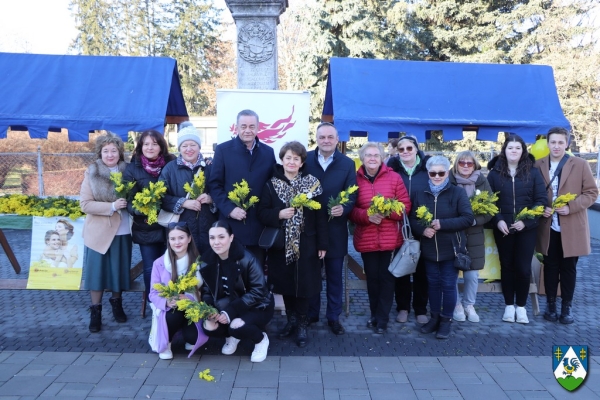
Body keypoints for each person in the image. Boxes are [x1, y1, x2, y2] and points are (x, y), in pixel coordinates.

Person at [257, 141, 328, 347]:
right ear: (282, 159)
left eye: (296, 158)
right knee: (287, 285)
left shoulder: (313, 184)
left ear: (302, 162)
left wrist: (323, 244)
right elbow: (261, 212)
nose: (291, 162)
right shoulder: (271, 184)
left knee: (304, 285)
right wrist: (278, 214)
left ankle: (302, 325)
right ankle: (291, 321)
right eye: (288, 157)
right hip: (281, 245)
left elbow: (321, 217)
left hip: (307, 243)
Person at [536, 127, 598, 324]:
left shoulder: (579, 164)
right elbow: (532, 193)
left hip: (571, 225)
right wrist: (540, 208)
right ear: (547, 143)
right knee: (550, 267)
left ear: (567, 144)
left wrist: (571, 207)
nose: (556, 146)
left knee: (569, 268)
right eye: (553, 142)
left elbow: (591, 192)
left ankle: (566, 307)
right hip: (548, 225)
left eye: (560, 142)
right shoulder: (538, 165)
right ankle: (551, 305)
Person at [349, 142, 411, 334]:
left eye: (376, 155)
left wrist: (386, 212)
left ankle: (382, 319)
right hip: (366, 238)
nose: (372, 158)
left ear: (383, 157)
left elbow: (405, 207)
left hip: (390, 239)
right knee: (372, 280)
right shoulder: (354, 179)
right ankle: (374, 314)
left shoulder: (394, 178)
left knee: (386, 279)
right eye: (368, 155)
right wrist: (366, 216)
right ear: (362, 157)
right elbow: (350, 210)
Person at [409, 156, 473, 339]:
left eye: (441, 173)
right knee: (433, 285)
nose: (437, 176)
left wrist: (442, 224)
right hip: (429, 249)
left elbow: (468, 218)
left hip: (451, 249)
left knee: (448, 285)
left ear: (447, 173)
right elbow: (413, 219)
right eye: (433, 173)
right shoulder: (420, 193)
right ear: (428, 173)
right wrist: (423, 230)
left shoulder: (457, 193)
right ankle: (435, 317)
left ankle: (446, 320)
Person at [487, 134, 547, 324]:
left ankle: (521, 307)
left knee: (522, 268)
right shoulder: (494, 173)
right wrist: (498, 220)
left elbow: (540, 201)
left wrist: (526, 221)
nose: (514, 151)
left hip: (526, 228)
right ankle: (508, 306)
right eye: (510, 147)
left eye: (518, 148)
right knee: (507, 267)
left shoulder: (533, 172)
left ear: (523, 151)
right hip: (503, 228)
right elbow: (490, 201)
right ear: (504, 150)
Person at [304, 122, 357, 335]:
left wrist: (343, 208)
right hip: (310, 228)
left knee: (335, 276)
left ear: (337, 140)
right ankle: (311, 313)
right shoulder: (305, 159)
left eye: (330, 137)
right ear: (316, 139)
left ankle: (333, 317)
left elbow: (352, 193)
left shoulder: (347, 163)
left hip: (335, 229)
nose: (326, 140)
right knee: (312, 275)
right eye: (322, 137)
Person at [200, 221, 274, 363]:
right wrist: (211, 310)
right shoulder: (207, 261)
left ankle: (260, 340)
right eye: (212, 238)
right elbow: (207, 291)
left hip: (258, 306)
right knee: (209, 325)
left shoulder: (247, 259)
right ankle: (231, 337)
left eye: (221, 237)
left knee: (236, 327)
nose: (216, 242)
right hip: (227, 305)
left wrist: (230, 312)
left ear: (231, 237)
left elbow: (259, 291)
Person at [208, 109, 276, 265]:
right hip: (231, 226)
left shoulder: (268, 152)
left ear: (258, 128)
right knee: (232, 273)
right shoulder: (223, 150)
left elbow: (271, 185)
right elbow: (215, 184)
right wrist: (230, 209)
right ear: (236, 127)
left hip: (259, 225)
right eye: (243, 126)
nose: (247, 130)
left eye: (252, 126)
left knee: (257, 273)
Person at [80, 132, 132, 333]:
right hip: (98, 232)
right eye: (106, 151)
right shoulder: (92, 171)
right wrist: (111, 206)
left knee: (119, 271)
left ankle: (117, 304)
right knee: (97, 273)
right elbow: (85, 204)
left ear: (120, 152)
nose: (110, 154)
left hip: (123, 229)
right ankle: (96, 311)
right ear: (100, 153)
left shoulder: (129, 171)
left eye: (114, 150)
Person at [124, 130, 176, 301]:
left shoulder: (173, 164)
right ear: (140, 147)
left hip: (172, 225)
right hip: (146, 226)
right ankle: (155, 302)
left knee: (172, 266)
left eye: (154, 143)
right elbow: (128, 200)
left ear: (161, 146)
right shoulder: (132, 168)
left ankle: (173, 302)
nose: (150, 147)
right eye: (146, 144)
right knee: (150, 267)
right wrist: (141, 209)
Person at [149, 222, 208, 360]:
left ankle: (184, 333)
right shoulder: (159, 263)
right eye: (173, 239)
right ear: (168, 241)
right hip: (171, 309)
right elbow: (153, 293)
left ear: (189, 238)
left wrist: (191, 299)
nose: (177, 242)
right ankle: (167, 342)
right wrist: (167, 302)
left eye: (181, 238)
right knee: (173, 315)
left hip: (191, 308)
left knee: (193, 339)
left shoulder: (199, 263)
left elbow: (207, 291)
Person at [388, 136, 430, 324]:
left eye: (409, 148)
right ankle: (403, 307)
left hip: (422, 225)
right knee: (402, 267)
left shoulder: (428, 169)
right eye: (401, 149)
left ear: (416, 149)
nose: (405, 152)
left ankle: (420, 308)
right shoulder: (392, 169)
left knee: (422, 270)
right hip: (400, 226)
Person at [448, 151, 494, 323]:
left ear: (475, 165)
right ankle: (456, 305)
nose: (466, 166)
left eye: (469, 163)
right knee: (450, 272)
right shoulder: (449, 180)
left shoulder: (482, 181)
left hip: (474, 233)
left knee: (472, 275)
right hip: (453, 233)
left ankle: (469, 305)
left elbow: (490, 208)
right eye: (462, 163)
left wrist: (475, 221)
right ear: (456, 164)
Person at [160, 123, 216, 255]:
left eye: (193, 145)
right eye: (184, 146)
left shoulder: (210, 166)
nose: (189, 149)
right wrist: (183, 202)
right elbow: (161, 197)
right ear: (179, 148)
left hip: (209, 228)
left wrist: (211, 198)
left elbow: (222, 191)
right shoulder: (170, 169)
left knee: (208, 267)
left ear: (199, 147)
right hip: (181, 231)